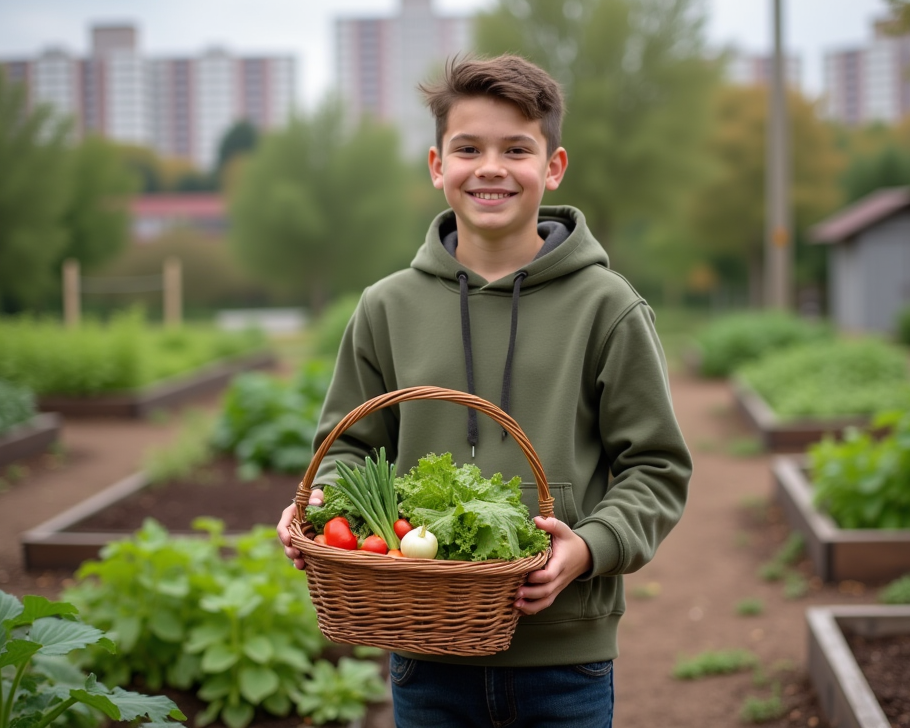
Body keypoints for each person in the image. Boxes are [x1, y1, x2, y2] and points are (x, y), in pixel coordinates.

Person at [277, 54, 692, 727]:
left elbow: (657, 467)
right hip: (424, 655)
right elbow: (347, 448)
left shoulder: (607, 307)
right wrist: (319, 506)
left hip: (565, 657)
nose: (491, 167)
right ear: (438, 165)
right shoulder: (387, 307)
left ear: (552, 167)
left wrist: (588, 547)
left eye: (516, 149)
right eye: (468, 148)